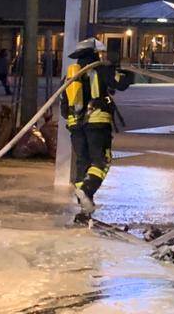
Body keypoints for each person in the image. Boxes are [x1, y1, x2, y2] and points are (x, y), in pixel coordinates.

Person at [62, 37, 131, 215]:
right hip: (97, 125)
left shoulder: (69, 77)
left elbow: (64, 110)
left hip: (75, 127)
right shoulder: (101, 69)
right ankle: (87, 191)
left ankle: (84, 203)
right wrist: (126, 71)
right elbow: (121, 83)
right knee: (102, 161)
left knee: (82, 162)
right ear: (95, 53)